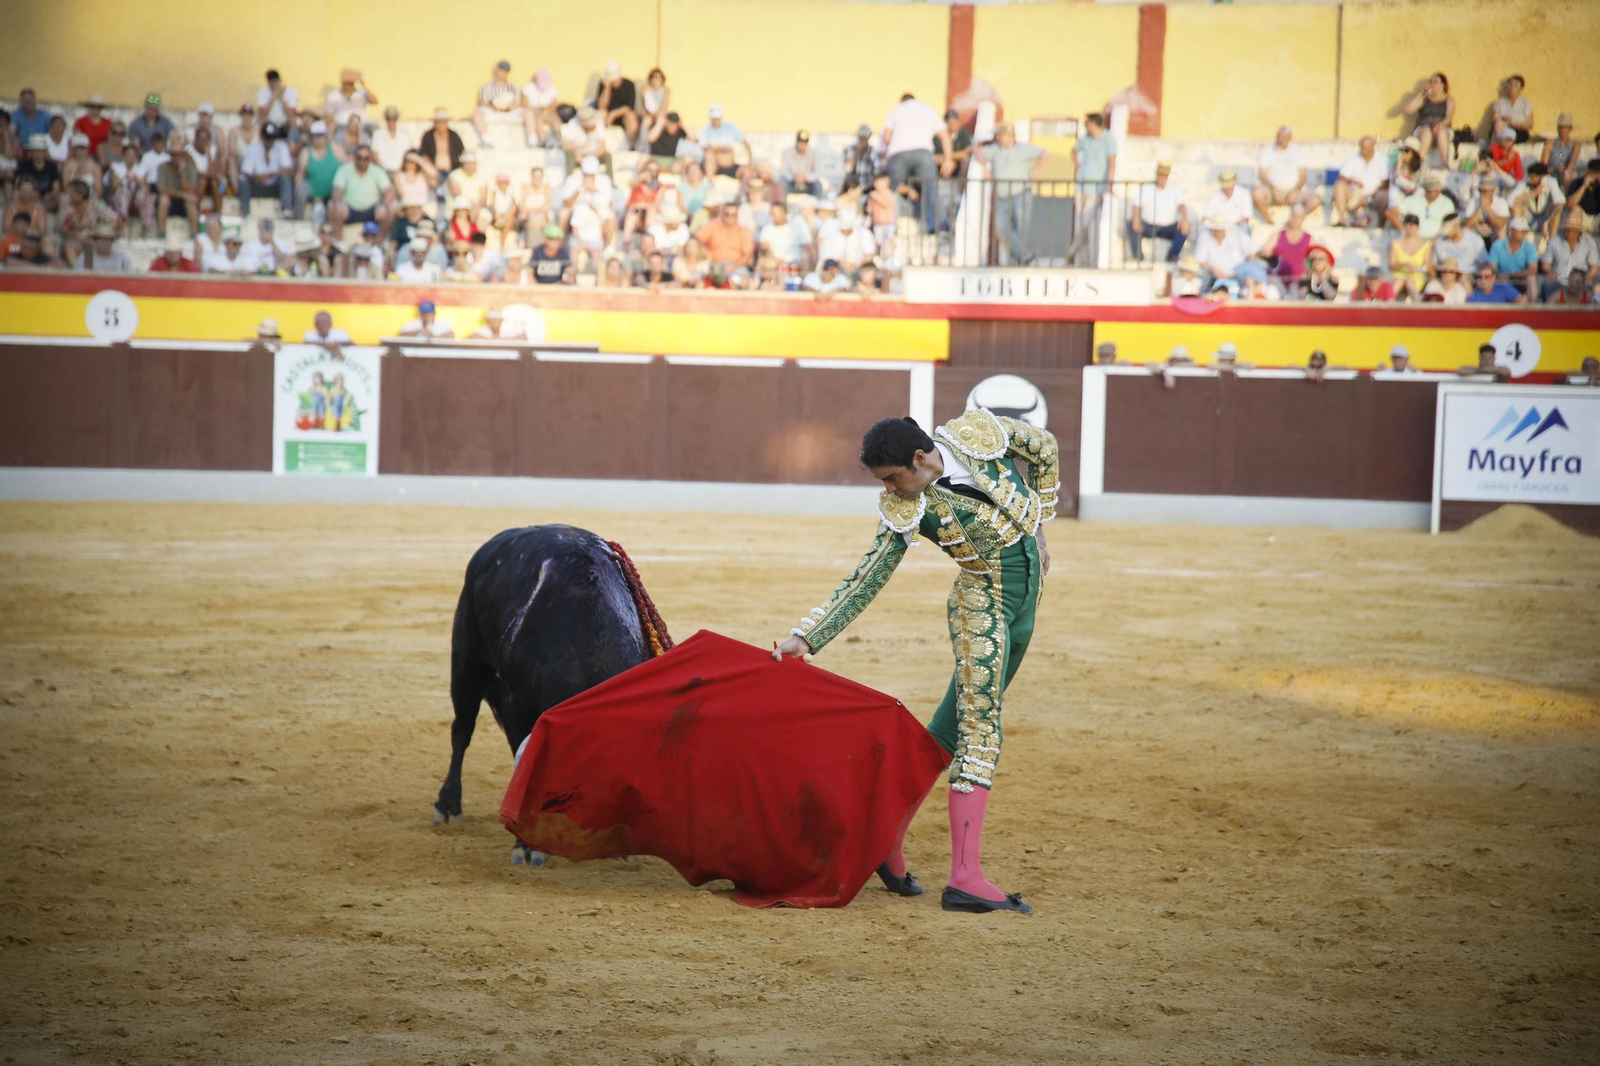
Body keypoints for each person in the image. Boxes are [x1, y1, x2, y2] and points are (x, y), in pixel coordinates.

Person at [772, 410, 1058, 915]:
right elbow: (868, 575)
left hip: (1024, 607)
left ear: (920, 458)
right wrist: (807, 637)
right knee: (981, 731)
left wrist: (1042, 527)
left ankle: (888, 840)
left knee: (950, 727)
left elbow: (1045, 450)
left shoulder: (979, 434)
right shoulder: (907, 508)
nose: (892, 490)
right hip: (981, 610)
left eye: (893, 477)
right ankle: (966, 878)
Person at [882, 93, 951, 234]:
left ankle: (893, 226)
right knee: (930, 189)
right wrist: (948, 160)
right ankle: (934, 226)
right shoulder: (927, 109)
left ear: (902, 101)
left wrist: (886, 155)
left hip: (898, 152)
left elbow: (887, 137)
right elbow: (945, 135)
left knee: (894, 188)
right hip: (923, 152)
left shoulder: (896, 110)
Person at [979, 123, 1046, 266]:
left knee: (1021, 228)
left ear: (1010, 136)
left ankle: (1018, 262)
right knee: (1000, 228)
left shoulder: (1024, 148)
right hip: (1002, 196)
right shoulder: (995, 149)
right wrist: (985, 168)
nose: (998, 138)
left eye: (1001, 135)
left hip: (1021, 194)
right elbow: (978, 153)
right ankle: (1025, 255)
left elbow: (1045, 153)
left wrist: (1035, 170)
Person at [1067, 113, 1116, 265]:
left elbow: (1112, 163)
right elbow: (1073, 151)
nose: (1086, 127)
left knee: (1086, 222)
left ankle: (1073, 250)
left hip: (1096, 188)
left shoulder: (1109, 139)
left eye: (1088, 124)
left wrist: (1109, 184)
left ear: (1095, 124)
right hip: (1081, 186)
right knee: (1081, 223)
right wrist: (1077, 164)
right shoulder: (1085, 139)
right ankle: (1084, 261)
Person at [1252, 125, 1318, 220]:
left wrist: (1295, 191)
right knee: (1256, 194)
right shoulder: (1266, 151)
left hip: (1294, 191)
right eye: (1278, 136)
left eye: (1283, 137)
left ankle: (1297, 220)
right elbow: (1262, 175)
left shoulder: (1298, 151)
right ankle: (1269, 220)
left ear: (1290, 138)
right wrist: (1274, 190)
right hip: (1271, 191)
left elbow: (1303, 176)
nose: (1280, 139)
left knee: (1315, 199)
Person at [1129, 160, 1188, 263]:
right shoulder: (1147, 187)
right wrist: (1136, 220)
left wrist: (1184, 219)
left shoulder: (1175, 187)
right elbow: (1136, 205)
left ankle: (1172, 256)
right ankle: (1138, 257)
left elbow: (1181, 205)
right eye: (1160, 174)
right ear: (1156, 174)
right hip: (1149, 226)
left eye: (1164, 175)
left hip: (1168, 227)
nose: (1162, 177)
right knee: (1130, 224)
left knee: (1184, 229)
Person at [331, 144, 396, 231]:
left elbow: (388, 191)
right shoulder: (345, 169)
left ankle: (379, 241)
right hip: (349, 209)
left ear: (370, 159)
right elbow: (337, 190)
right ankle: (339, 241)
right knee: (332, 205)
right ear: (354, 157)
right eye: (359, 157)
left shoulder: (377, 171)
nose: (362, 160)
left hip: (373, 210)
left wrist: (383, 205)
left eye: (366, 158)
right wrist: (339, 203)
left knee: (391, 208)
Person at [1331, 136, 1389, 227]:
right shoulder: (1353, 158)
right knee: (1339, 185)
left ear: (1372, 147)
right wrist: (1353, 181)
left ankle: (1380, 227)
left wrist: (1370, 197)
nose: (1362, 150)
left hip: (1375, 194)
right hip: (1355, 193)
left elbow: (1386, 183)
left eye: (1365, 147)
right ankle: (1342, 219)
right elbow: (1342, 176)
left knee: (1385, 196)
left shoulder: (1382, 159)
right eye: (1361, 147)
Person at [240, 124, 294, 217]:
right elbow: (246, 172)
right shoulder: (253, 148)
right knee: (243, 180)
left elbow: (288, 170)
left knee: (285, 178)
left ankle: (286, 208)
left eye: (272, 138)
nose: (270, 141)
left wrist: (269, 175)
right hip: (258, 185)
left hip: (274, 185)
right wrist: (257, 177)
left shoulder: (281, 147)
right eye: (268, 138)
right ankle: (245, 212)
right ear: (262, 138)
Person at [1541, 216, 1598, 302]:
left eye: (1571, 229)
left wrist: (1588, 276)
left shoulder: (1589, 242)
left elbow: (1594, 266)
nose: (1568, 232)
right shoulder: (1555, 240)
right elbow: (1545, 264)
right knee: (1547, 285)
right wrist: (1551, 272)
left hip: (1579, 281)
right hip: (1559, 279)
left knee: (1587, 287)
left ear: (1578, 231)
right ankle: (1548, 313)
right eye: (1566, 229)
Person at [1403, 72, 1454, 165]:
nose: (1432, 83)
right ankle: (1420, 162)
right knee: (1427, 131)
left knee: (1441, 132)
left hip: (1442, 127)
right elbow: (1408, 110)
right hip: (1423, 128)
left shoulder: (1448, 99)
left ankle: (1445, 163)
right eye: (1431, 81)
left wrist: (1440, 125)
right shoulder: (1425, 98)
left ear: (1442, 85)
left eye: (1435, 81)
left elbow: (1448, 117)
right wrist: (1422, 94)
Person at [1488, 217, 1539, 300]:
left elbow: (1533, 270)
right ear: (1511, 231)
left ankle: (1532, 308)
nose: (1523, 233)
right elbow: (1491, 266)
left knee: (1531, 279)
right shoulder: (1498, 245)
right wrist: (1498, 275)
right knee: (1499, 281)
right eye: (1520, 231)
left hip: (1522, 280)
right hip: (1502, 279)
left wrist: (1510, 275)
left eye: (1525, 231)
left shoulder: (1530, 246)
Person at [473, 61, 519, 149]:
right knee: (476, 113)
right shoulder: (486, 87)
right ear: (496, 70)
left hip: (510, 113)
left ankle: (534, 142)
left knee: (528, 113)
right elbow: (483, 102)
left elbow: (517, 103)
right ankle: (486, 140)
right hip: (493, 112)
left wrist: (509, 107)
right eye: (501, 70)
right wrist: (493, 105)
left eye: (506, 71)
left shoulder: (513, 87)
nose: (503, 73)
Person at [1265, 204, 1312, 288]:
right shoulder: (1279, 235)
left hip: (1299, 280)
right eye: (1293, 215)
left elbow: (1316, 256)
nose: (1295, 219)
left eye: (1299, 216)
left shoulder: (1309, 238)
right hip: (1279, 278)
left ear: (1303, 218)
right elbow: (1265, 251)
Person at [1388, 214, 1432, 300]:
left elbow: (1427, 267)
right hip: (1399, 275)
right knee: (1398, 281)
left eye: (1412, 225)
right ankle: (1387, 305)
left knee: (1410, 282)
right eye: (1407, 224)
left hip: (1416, 276)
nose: (1410, 227)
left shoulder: (1425, 244)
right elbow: (1391, 265)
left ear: (1417, 227)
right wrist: (1404, 265)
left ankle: (1417, 308)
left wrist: (1417, 269)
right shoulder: (1396, 243)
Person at [597, 60, 639, 145]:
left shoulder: (629, 85)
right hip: (607, 116)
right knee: (601, 114)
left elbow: (629, 107)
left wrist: (614, 114)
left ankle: (632, 147)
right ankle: (600, 144)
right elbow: (601, 106)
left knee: (631, 116)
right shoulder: (603, 84)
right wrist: (607, 88)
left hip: (622, 115)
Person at [420, 109, 465, 177]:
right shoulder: (428, 136)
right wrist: (432, 170)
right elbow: (424, 155)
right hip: (433, 173)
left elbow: (462, 152)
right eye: (439, 122)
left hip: (452, 171)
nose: (442, 124)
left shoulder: (454, 136)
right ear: (435, 123)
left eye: (444, 122)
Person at [1491, 75, 1533, 145]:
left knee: (1498, 133)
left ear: (1521, 88)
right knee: (1499, 124)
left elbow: (1530, 124)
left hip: (1518, 131)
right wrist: (1505, 119)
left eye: (1515, 85)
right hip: (1502, 129)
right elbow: (1494, 119)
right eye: (1510, 84)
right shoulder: (1500, 102)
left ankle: (1498, 149)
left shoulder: (1525, 103)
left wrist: (1515, 125)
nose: (1512, 87)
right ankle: (1503, 146)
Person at [778, 130, 821, 198]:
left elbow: (817, 172)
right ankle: (783, 206)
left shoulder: (813, 152)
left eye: (804, 143)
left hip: (807, 182)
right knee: (782, 182)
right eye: (800, 142)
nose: (802, 145)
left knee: (817, 185)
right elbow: (784, 170)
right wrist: (794, 177)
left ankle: (816, 206)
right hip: (792, 181)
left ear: (807, 143)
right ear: (796, 142)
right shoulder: (788, 152)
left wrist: (806, 177)